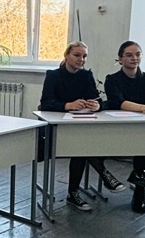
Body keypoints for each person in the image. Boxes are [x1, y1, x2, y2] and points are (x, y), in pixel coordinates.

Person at [38, 41, 124, 212]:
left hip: (79, 127)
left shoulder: (86, 75)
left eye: (84, 56)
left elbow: (95, 98)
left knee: (82, 146)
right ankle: (103, 175)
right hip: (57, 129)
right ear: (66, 56)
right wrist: (68, 105)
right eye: (77, 55)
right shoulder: (53, 75)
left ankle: (74, 193)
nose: (81, 59)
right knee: (82, 146)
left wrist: (96, 105)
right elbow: (45, 103)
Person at [103, 41, 145, 213]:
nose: (134, 58)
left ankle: (140, 188)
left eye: (138, 54)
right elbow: (118, 102)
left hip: (140, 126)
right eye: (129, 55)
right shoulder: (112, 79)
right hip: (116, 126)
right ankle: (137, 180)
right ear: (120, 59)